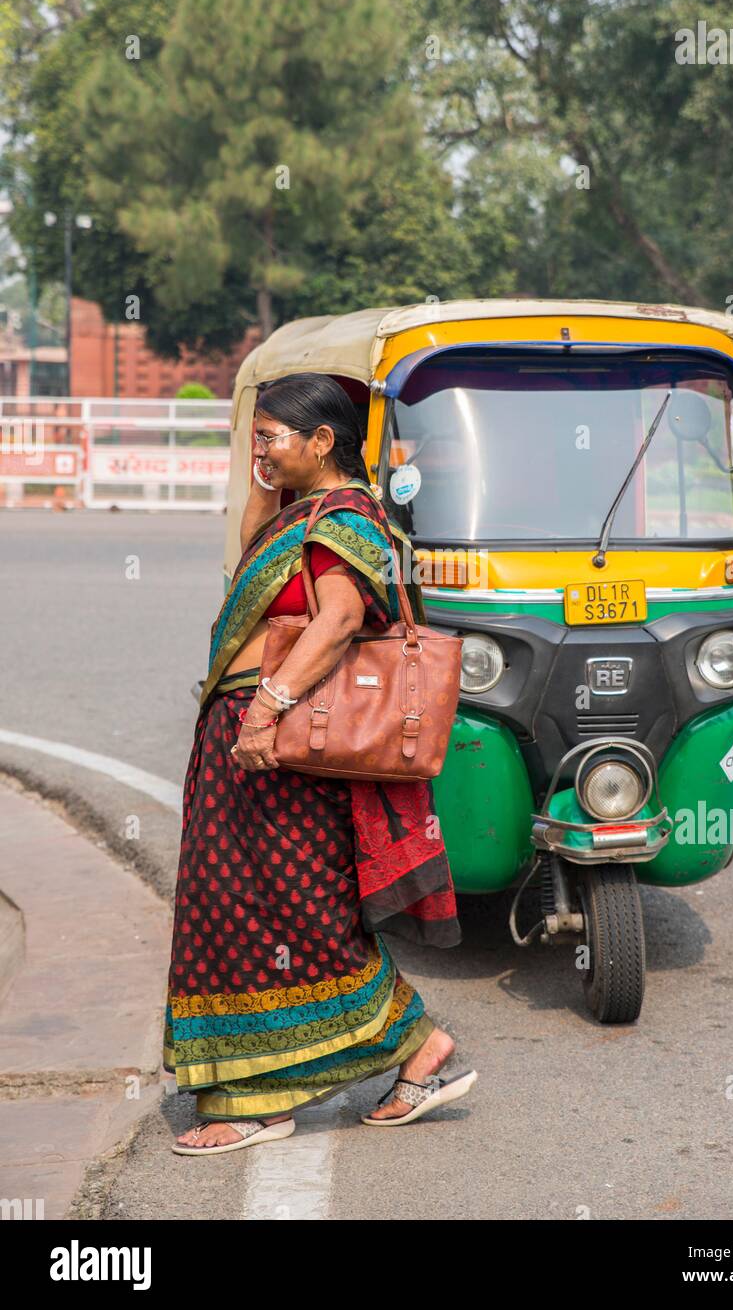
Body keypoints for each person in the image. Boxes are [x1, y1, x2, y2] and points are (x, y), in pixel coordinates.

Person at [164, 372, 477, 1155]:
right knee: (238, 906)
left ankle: (367, 1060)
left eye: (272, 437)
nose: (260, 450)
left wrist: (266, 709)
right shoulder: (296, 515)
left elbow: (336, 622)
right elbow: (248, 559)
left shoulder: (346, 521)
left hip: (282, 747)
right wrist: (265, 477)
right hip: (244, 745)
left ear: (322, 442)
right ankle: (282, 1083)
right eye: (256, 437)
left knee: (289, 911)